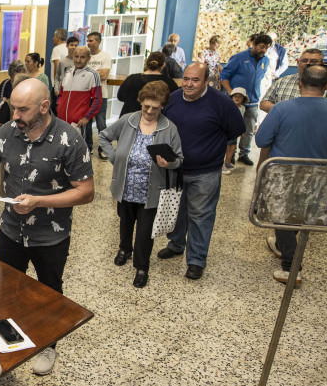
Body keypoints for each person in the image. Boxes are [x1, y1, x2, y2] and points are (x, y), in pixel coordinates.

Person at [0, 78, 94, 375]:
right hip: (11, 229)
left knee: (48, 291)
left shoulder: (69, 139)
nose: (15, 116)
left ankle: (48, 345)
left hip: (49, 237)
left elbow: (86, 192)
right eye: (13, 108)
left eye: (22, 110)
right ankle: (8, 337)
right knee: (7, 286)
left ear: (44, 107)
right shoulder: (7, 132)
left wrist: (38, 201)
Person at [255, 65, 327, 285]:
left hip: (283, 173)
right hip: (317, 173)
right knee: (299, 216)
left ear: (299, 83)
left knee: (282, 218)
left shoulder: (281, 109)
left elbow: (261, 141)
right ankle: (281, 246)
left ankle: (292, 267)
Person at [158, 64, 245, 280]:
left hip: (205, 172)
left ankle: (196, 259)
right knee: (176, 211)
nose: (188, 84)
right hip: (175, 169)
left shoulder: (222, 103)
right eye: (185, 79)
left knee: (200, 215)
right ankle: (176, 244)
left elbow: (236, 130)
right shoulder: (173, 99)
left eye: (195, 80)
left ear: (207, 81)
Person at [98, 81, 183, 288]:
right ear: (140, 103)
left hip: (151, 191)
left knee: (145, 232)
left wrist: (169, 162)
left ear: (162, 105)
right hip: (126, 186)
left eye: (155, 107)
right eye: (146, 106)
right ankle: (124, 249)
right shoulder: (128, 120)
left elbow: (179, 159)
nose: (150, 111)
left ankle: (142, 267)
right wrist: (114, 157)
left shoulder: (169, 128)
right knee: (125, 222)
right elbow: (103, 136)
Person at [220, 33, 272, 166]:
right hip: (235, 102)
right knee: (232, 130)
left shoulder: (265, 60)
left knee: (249, 130)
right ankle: (229, 154)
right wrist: (231, 93)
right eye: (261, 46)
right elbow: (224, 76)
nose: (263, 50)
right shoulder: (239, 58)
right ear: (253, 44)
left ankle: (244, 154)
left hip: (253, 100)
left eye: (266, 48)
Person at [259, 48, 327, 112]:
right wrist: (284, 111)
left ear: (322, 64)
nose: (308, 63)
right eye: (304, 60)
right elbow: (264, 103)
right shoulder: (282, 81)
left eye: (314, 61)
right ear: (298, 63)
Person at [116, 52, 179, 116]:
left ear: (146, 62)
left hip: (128, 118)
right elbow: (173, 102)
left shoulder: (131, 78)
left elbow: (120, 97)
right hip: (154, 119)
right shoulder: (169, 82)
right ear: (163, 65)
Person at [57, 46, 102, 135]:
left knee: (77, 148)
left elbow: (98, 99)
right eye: (76, 56)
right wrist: (58, 108)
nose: (78, 60)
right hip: (62, 122)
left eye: (82, 57)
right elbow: (61, 94)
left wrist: (87, 117)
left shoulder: (93, 75)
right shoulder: (67, 73)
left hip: (77, 124)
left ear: (88, 58)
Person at [85, 32, 113, 159]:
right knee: (87, 123)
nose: (88, 43)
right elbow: (82, 74)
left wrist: (90, 73)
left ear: (98, 41)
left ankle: (103, 149)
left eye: (91, 41)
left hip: (101, 94)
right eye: (88, 40)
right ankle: (88, 147)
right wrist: (97, 72)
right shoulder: (85, 56)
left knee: (101, 123)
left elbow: (104, 76)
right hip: (86, 95)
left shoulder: (105, 56)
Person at [222, 88, 248, 175]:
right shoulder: (229, 107)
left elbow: (241, 120)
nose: (237, 98)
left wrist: (242, 131)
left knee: (233, 148)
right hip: (228, 131)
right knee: (226, 148)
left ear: (243, 99)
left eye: (239, 97)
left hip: (235, 132)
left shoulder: (243, 108)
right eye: (235, 96)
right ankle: (222, 166)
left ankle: (228, 163)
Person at [0, 60, 26, 126]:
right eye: (17, 77)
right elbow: (0, 106)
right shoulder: (5, 85)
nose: (20, 79)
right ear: (11, 77)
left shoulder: (28, 85)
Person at [261, 31, 289, 97]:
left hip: (271, 77)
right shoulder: (261, 47)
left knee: (267, 96)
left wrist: (276, 74)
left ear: (274, 40)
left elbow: (285, 64)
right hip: (259, 75)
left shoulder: (280, 50)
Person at [49, 28, 69, 95]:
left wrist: (56, 87)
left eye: (54, 36)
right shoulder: (68, 48)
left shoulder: (57, 49)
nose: (53, 38)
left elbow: (57, 67)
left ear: (58, 38)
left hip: (59, 85)